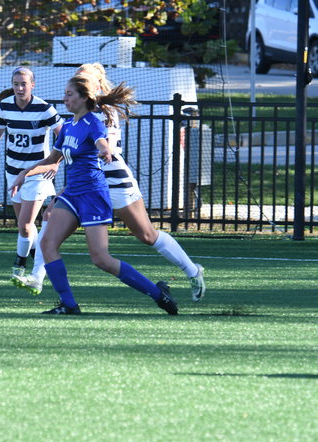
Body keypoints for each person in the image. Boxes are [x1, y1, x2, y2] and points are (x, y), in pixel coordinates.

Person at [14, 63, 205, 302]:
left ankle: (192, 271)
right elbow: (67, 153)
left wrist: (101, 150)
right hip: (87, 185)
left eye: (84, 80)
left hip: (113, 181)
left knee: (146, 235)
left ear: (95, 86)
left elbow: (103, 149)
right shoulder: (76, 116)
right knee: (50, 217)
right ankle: (38, 277)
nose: (78, 84)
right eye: (77, 78)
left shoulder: (103, 114)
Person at [0, 67, 62, 283]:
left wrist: (55, 162)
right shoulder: (4, 106)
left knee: (25, 225)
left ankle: (19, 263)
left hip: (37, 173)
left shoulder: (45, 109)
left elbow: (64, 137)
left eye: (23, 84)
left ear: (32, 85)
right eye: (16, 84)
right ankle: (39, 260)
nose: (19, 88)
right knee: (24, 226)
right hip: (13, 171)